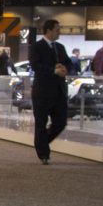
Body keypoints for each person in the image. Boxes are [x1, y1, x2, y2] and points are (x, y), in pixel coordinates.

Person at [28, 19, 72, 165]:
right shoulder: (36, 47)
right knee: (41, 123)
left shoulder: (60, 47)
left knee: (61, 122)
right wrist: (54, 71)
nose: (59, 32)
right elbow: (35, 66)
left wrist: (65, 68)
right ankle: (43, 154)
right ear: (49, 30)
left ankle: (42, 142)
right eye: (57, 30)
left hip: (59, 91)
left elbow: (68, 63)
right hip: (42, 92)